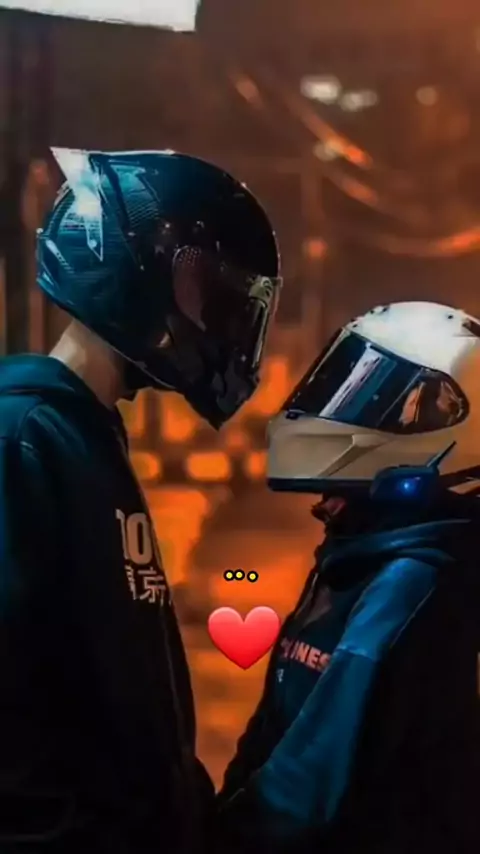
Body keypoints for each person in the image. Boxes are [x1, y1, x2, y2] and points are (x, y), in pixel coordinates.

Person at [0, 147, 280, 853]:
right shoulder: (22, 438)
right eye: (201, 286)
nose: (214, 316)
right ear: (129, 270)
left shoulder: (84, 435)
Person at [217, 301, 480, 854]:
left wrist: (221, 835)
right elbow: (279, 721)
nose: (345, 412)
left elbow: (311, 780)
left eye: (377, 397)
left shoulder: (414, 577)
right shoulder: (359, 551)